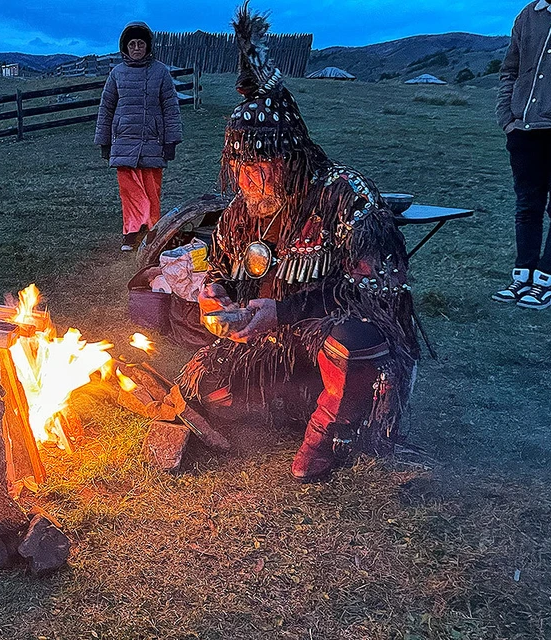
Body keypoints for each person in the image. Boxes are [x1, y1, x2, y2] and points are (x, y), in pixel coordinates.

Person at [178, 4, 420, 481]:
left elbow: (380, 298)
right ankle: (296, 398)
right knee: (208, 389)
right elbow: (222, 267)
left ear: (292, 157)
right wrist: (215, 293)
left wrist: (284, 311)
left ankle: (336, 432)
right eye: (241, 168)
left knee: (353, 345)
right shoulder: (241, 210)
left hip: (335, 333)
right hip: (278, 340)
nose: (250, 180)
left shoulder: (347, 197)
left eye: (262, 167)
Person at [493, 0, 551, 310]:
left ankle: (545, 282)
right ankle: (522, 276)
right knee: (527, 204)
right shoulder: (529, 15)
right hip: (524, 128)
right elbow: (509, 70)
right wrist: (508, 119)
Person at [95, 22, 182, 252]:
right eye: (132, 44)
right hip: (124, 139)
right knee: (129, 190)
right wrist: (104, 141)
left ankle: (152, 231)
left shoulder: (161, 72)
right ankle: (131, 233)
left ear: (147, 46)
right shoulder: (117, 74)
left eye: (140, 43)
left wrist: (171, 141)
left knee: (152, 188)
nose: (136, 48)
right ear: (125, 47)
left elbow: (171, 108)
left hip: (152, 140)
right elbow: (107, 108)